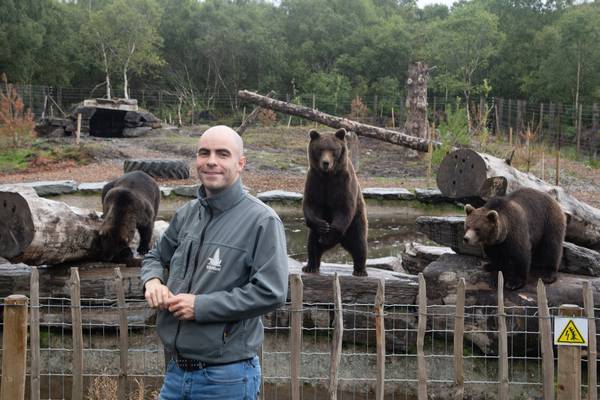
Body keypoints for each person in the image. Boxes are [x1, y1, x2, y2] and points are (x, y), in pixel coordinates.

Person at [141, 125, 289, 400]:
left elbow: (272, 292)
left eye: (222, 154)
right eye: (204, 153)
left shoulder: (262, 221)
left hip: (226, 379)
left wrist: (201, 306)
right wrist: (152, 281)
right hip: (175, 373)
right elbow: (155, 257)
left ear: (240, 163)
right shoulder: (187, 214)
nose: (211, 161)